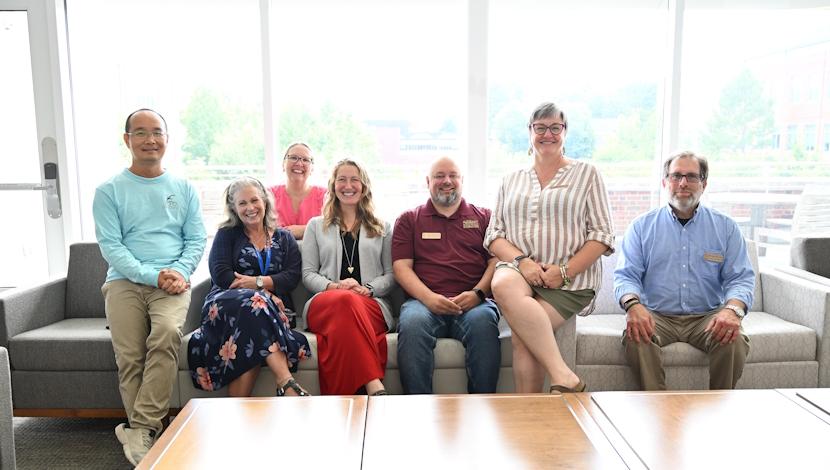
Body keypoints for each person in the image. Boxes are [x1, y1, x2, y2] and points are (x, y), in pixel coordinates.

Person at [93, 108, 207, 465]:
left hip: (172, 283)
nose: (149, 140)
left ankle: (139, 428)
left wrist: (178, 271)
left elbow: (196, 238)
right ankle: (146, 431)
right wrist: (152, 275)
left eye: (156, 132)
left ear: (167, 140)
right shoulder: (109, 190)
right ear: (127, 140)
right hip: (124, 282)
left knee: (167, 334)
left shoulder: (183, 188)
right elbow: (112, 248)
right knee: (129, 355)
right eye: (140, 133)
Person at [485, 102, 615, 394]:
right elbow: (494, 235)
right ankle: (564, 377)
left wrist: (564, 272)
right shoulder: (511, 180)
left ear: (565, 132)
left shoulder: (587, 174)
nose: (548, 134)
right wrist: (523, 262)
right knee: (502, 283)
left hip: (571, 281)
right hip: (520, 271)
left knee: (523, 337)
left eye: (555, 127)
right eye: (540, 128)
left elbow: (603, 235)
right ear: (529, 132)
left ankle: (529, 410)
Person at [614, 150, 755, 390]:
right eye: (676, 176)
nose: (683, 183)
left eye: (691, 177)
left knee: (735, 339)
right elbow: (626, 276)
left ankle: (718, 407)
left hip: (707, 316)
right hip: (657, 314)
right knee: (636, 336)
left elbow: (740, 279)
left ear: (704, 183)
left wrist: (732, 311)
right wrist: (633, 306)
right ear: (664, 182)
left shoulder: (725, 228)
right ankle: (658, 407)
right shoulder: (641, 227)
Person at [187, 177, 311, 398]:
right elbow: (222, 276)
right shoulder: (227, 235)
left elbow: (291, 277)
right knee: (254, 307)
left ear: (265, 200)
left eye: (254, 200)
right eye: (242, 203)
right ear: (234, 208)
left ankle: (239, 412)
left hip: (272, 311)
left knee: (251, 324)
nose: (250, 208)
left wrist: (257, 284)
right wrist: (264, 294)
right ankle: (285, 381)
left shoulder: (284, 237)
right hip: (226, 305)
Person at [393, 157, 501, 394]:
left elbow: (496, 261)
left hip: (475, 303)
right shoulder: (409, 219)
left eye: (453, 175)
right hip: (423, 303)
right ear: (428, 181)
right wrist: (429, 298)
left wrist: (478, 293)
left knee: (483, 322)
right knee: (411, 322)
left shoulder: (485, 217)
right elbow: (401, 268)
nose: (447, 181)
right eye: (439, 176)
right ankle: (417, 406)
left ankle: (483, 407)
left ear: (462, 180)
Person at [301, 159, 396, 396]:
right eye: (341, 179)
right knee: (344, 300)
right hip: (326, 302)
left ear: (363, 186)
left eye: (354, 179)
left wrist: (369, 289)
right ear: (333, 186)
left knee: (350, 303)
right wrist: (334, 286)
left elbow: (391, 275)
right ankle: (373, 383)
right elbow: (308, 274)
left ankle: (342, 403)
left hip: (370, 303)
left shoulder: (383, 227)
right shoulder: (315, 226)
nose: (348, 185)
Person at [269, 142, 326, 240]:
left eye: (306, 160)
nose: (299, 163)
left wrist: (301, 230)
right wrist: (313, 230)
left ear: (312, 168)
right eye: (293, 158)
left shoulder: (325, 196)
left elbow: (333, 227)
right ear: (283, 164)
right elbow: (258, 229)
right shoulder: (268, 195)